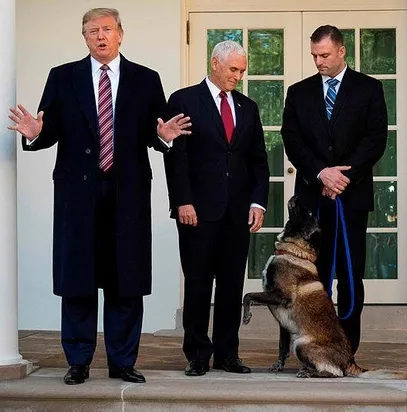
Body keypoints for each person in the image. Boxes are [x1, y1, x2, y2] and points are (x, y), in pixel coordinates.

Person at [7, 8, 191, 385]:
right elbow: (48, 130)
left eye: (107, 29)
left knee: (126, 279)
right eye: (92, 31)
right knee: (78, 279)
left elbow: (156, 131)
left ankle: (123, 362)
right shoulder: (63, 77)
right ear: (85, 38)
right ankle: (78, 361)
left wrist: (163, 137)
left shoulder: (146, 79)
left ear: (121, 33)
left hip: (128, 194)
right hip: (78, 195)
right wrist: (35, 133)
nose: (100, 36)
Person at [164, 40, 269, 377]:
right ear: (214, 63)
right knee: (197, 284)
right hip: (196, 211)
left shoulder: (248, 107)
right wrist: (182, 200)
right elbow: (176, 157)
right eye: (233, 69)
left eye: (242, 71)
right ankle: (197, 354)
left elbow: (258, 160)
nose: (238, 76)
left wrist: (257, 202)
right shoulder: (184, 100)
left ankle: (227, 353)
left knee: (231, 286)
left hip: (237, 213)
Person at [280, 25, 388, 356]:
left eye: (324, 55)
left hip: (351, 198)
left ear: (341, 51)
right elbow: (292, 140)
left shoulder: (369, 89)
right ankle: (314, 345)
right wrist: (321, 174)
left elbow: (375, 139)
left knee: (350, 273)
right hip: (312, 199)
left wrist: (342, 177)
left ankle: (345, 348)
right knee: (312, 274)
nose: (319, 62)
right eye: (314, 56)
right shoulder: (298, 92)